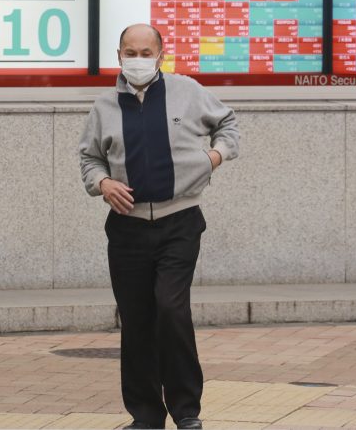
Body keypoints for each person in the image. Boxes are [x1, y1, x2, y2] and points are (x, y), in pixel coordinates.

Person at [79, 23, 239, 430]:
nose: (138, 59)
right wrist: (103, 183)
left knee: (170, 309)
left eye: (145, 51)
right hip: (127, 230)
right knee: (136, 319)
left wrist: (213, 159)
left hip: (179, 222)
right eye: (130, 53)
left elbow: (229, 126)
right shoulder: (103, 107)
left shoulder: (188, 90)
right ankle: (146, 415)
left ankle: (186, 410)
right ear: (119, 56)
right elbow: (89, 159)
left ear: (161, 53)